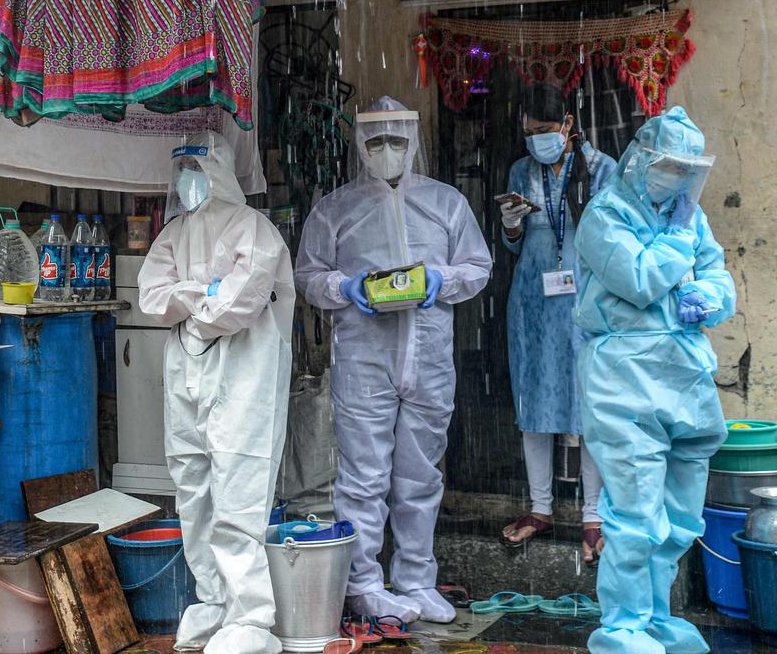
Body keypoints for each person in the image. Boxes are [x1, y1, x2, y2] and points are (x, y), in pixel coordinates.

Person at [295, 96, 491, 625]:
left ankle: (415, 579)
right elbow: (308, 277)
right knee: (363, 477)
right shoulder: (335, 207)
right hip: (363, 360)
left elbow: (478, 266)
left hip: (428, 359)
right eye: (376, 141)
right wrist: (346, 286)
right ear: (361, 144)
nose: (387, 151)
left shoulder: (446, 202)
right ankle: (362, 582)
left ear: (413, 140)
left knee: (420, 475)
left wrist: (438, 280)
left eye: (397, 140)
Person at [575, 107, 733, 654]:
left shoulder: (690, 215)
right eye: (669, 164)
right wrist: (678, 242)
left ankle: (656, 616)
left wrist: (710, 297)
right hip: (623, 379)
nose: (677, 176)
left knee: (681, 515)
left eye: (688, 167)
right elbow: (640, 279)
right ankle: (621, 625)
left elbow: (718, 277)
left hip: (685, 375)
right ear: (642, 159)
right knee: (635, 512)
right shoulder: (604, 214)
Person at [138, 131, 295, 654]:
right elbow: (151, 299)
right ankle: (213, 602)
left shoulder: (256, 229)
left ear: (221, 173)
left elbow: (238, 304)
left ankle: (252, 617)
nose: (187, 179)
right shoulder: (173, 233)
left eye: (196, 167)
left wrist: (193, 303)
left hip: (244, 374)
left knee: (239, 484)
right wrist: (198, 292)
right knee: (193, 486)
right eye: (180, 167)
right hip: (186, 374)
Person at [498, 84, 618, 564]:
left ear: (567, 124)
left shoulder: (603, 169)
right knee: (533, 403)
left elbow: (614, 239)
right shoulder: (520, 171)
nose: (537, 141)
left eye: (545, 131)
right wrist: (510, 225)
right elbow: (512, 245)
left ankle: (594, 516)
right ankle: (540, 508)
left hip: (585, 303)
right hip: (532, 304)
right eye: (529, 134)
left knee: (588, 407)